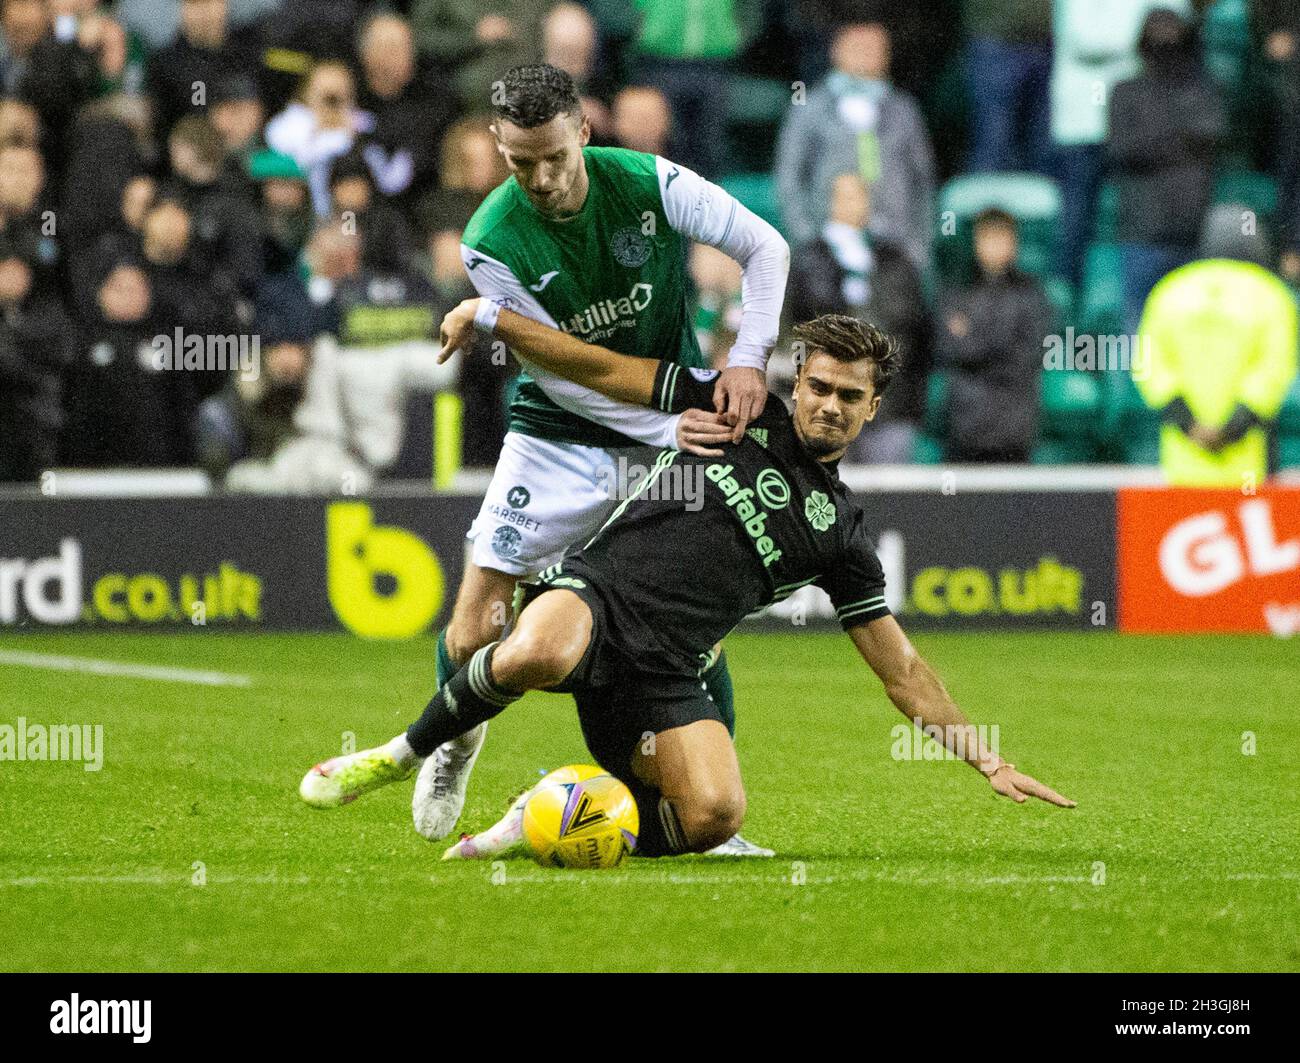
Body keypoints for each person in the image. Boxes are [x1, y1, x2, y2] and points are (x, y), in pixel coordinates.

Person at [300, 307, 1076, 857]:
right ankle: (404, 751)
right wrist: (499, 321)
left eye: (850, 397)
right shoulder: (736, 408)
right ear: (796, 381)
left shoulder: (842, 536)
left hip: (666, 671)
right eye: (819, 387)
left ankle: (540, 820)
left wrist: (987, 757)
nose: (830, 406)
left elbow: (902, 670)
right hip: (595, 597)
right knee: (536, 647)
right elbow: (606, 367)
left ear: (874, 408)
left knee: (712, 814)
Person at [393, 64, 789, 856]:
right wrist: (665, 423)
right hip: (560, 431)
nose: (540, 178)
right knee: (477, 630)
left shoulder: (648, 181)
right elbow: (570, 370)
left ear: (583, 129)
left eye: (553, 157)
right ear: (499, 149)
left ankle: (706, 824)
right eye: (519, 163)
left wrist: (748, 356)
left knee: (687, 633)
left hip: (672, 420)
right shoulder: (490, 241)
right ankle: (454, 742)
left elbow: (764, 245)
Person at [1134, 204, 1299, 486]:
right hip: (1250, 463)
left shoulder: (1170, 289)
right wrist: (1236, 425)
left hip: (1182, 463)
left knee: (1186, 529)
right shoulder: (1272, 294)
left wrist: (1187, 422)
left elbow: (1149, 364)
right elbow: (1275, 367)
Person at [775, 21, 937, 277]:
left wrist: (917, 249)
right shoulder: (809, 107)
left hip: (894, 246)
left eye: (873, 48)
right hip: (826, 245)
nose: (865, 55)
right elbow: (790, 176)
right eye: (856, 47)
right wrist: (808, 241)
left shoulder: (905, 111)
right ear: (835, 51)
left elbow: (922, 181)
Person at [937, 208, 1053, 463]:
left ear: (1015, 243)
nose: (995, 245)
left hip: (1014, 429)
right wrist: (1001, 343)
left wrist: (974, 341)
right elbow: (948, 348)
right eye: (988, 237)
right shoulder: (957, 290)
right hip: (963, 427)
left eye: (1002, 238)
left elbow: (1030, 355)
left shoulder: (1031, 293)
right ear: (976, 242)